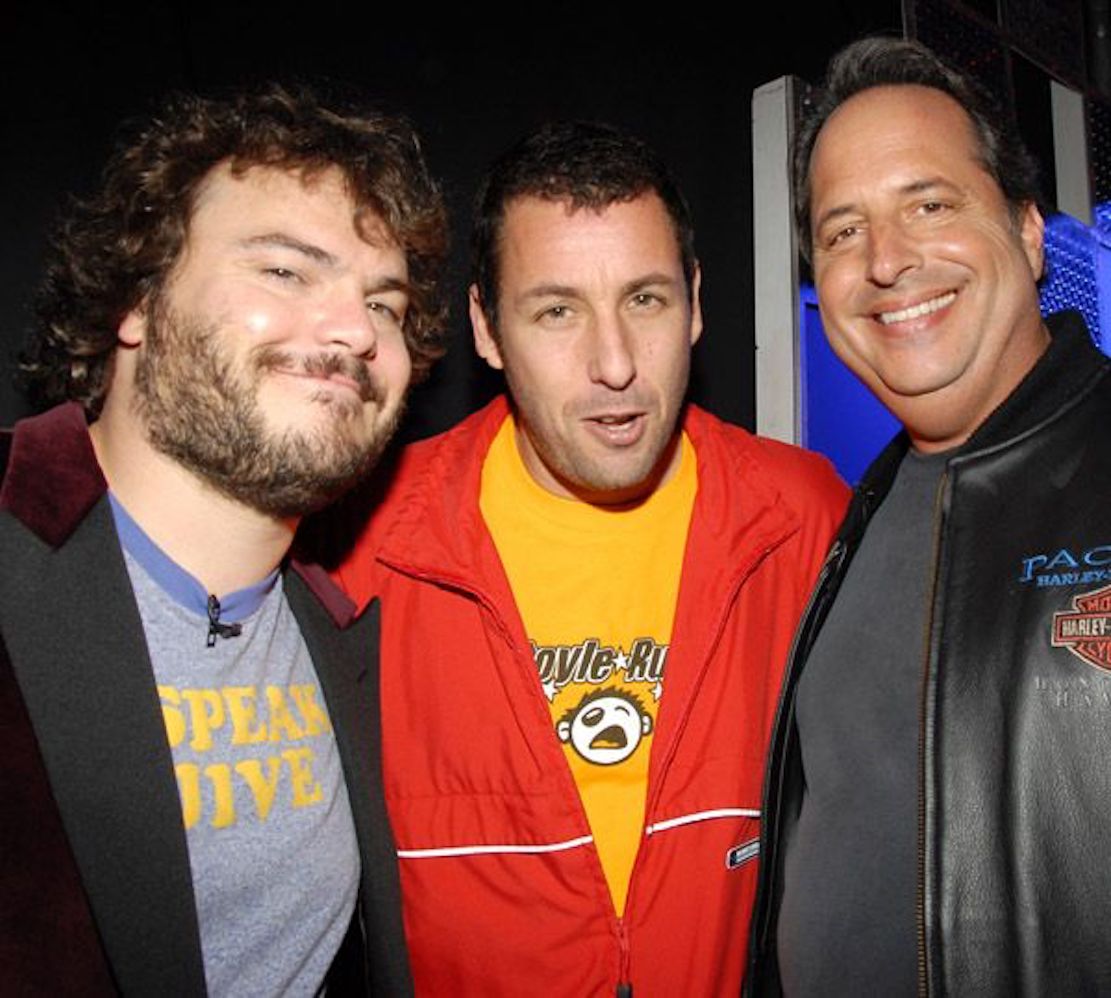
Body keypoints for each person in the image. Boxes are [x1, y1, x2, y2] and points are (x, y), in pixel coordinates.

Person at [333, 120, 848, 996]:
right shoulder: (364, 548)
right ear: (486, 329)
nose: (614, 365)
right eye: (556, 311)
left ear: (694, 302)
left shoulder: (803, 518)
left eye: (644, 300)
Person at [0, 84, 447, 995]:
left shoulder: (351, 631)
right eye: (285, 271)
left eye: (386, 304)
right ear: (136, 300)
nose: (356, 331)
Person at [746, 37, 1111, 996]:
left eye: (929, 205)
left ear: (1027, 232)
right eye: (842, 230)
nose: (885, 261)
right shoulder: (860, 513)